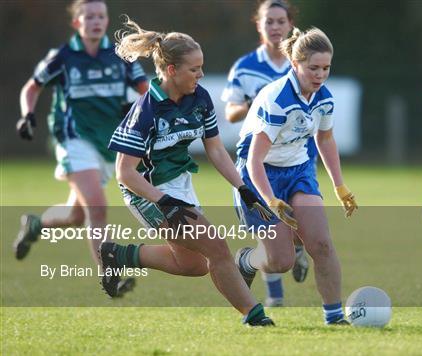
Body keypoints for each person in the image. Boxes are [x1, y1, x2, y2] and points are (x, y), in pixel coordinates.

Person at [103, 17, 275, 326]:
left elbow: (216, 150)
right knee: (217, 247)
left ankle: (119, 255)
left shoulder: (200, 98)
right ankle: (255, 315)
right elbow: (124, 173)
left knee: (193, 264)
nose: (201, 74)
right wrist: (164, 201)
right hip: (147, 191)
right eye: (194, 69)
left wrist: (243, 188)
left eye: (201, 67)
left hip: (179, 183)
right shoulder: (146, 110)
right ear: (171, 71)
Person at [13, 0, 148, 296]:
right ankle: (109, 277)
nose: (96, 21)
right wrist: (27, 114)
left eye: (101, 16)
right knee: (97, 208)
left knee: (77, 215)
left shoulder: (121, 56)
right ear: (77, 23)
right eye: (89, 16)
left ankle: (36, 225)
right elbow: (32, 87)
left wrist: (145, 111)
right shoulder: (62, 56)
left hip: (107, 143)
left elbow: (145, 91)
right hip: (73, 138)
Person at [233, 27, 358, 324]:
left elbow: (325, 140)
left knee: (322, 244)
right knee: (280, 261)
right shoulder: (277, 99)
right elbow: (254, 159)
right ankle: (246, 261)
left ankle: (334, 317)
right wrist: (270, 199)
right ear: (295, 64)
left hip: (298, 170)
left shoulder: (324, 97)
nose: (320, 75)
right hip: (258, 175)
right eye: (313, 68)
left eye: (326, 68)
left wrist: (340, 187)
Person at [221, 0, 310, 307]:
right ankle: (275, 296)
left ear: (290, 25)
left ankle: (298, 249)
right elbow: (230, 111)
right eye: (268, 22)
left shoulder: (300, 62)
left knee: (303, 229)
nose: (275, 27)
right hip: (261, 160)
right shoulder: (246, 67)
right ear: (258, 26)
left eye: (280, 22)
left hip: (297, 159)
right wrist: (255, 103)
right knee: (272, 230)